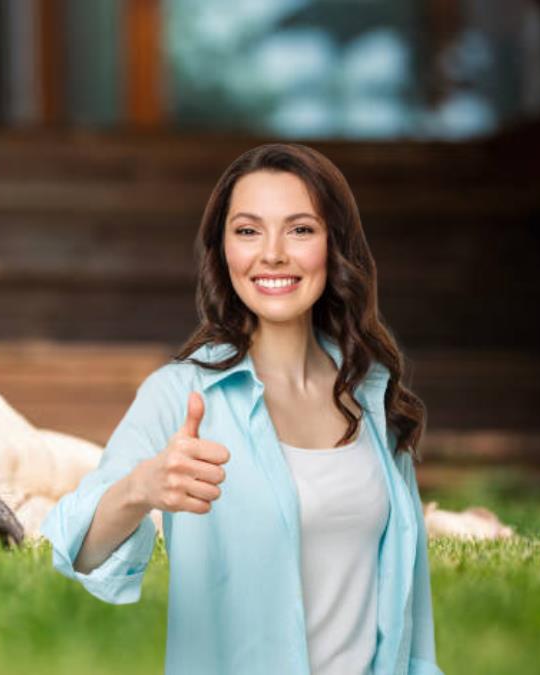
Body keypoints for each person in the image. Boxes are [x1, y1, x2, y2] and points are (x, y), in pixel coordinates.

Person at [40, 143, 442, 675]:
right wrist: (142, 488)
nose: (272, 253)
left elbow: (411, 624)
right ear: (222, 250)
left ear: (334, 246)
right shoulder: (179, 394)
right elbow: (77, 551)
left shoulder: (371, 394)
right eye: (248, 231)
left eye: (300, 229)